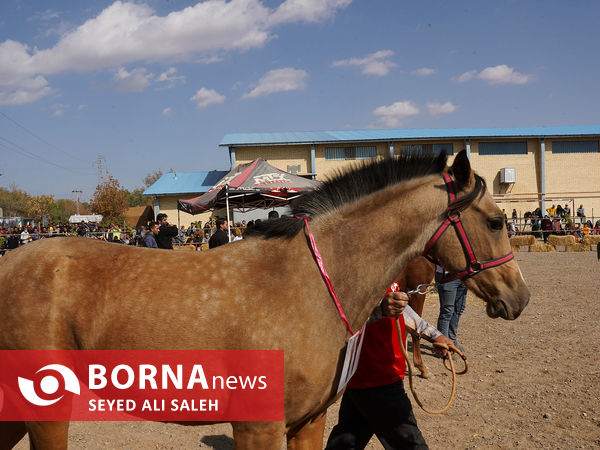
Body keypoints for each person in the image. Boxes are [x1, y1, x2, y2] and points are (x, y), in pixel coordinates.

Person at [325, 283, 454, 450]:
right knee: (412, 446)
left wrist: (434, 335)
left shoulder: (386, 269)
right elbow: (343, 311)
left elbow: (401, 308)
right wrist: (380, 309)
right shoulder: (356, 270)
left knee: (347, 441)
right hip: (377, 377)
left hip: (368, 377)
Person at [435, 266, 468, 349]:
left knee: (459, 308)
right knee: (447, 311)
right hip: (447, 276)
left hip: (463, 275)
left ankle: (452, 340)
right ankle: (443, 346)